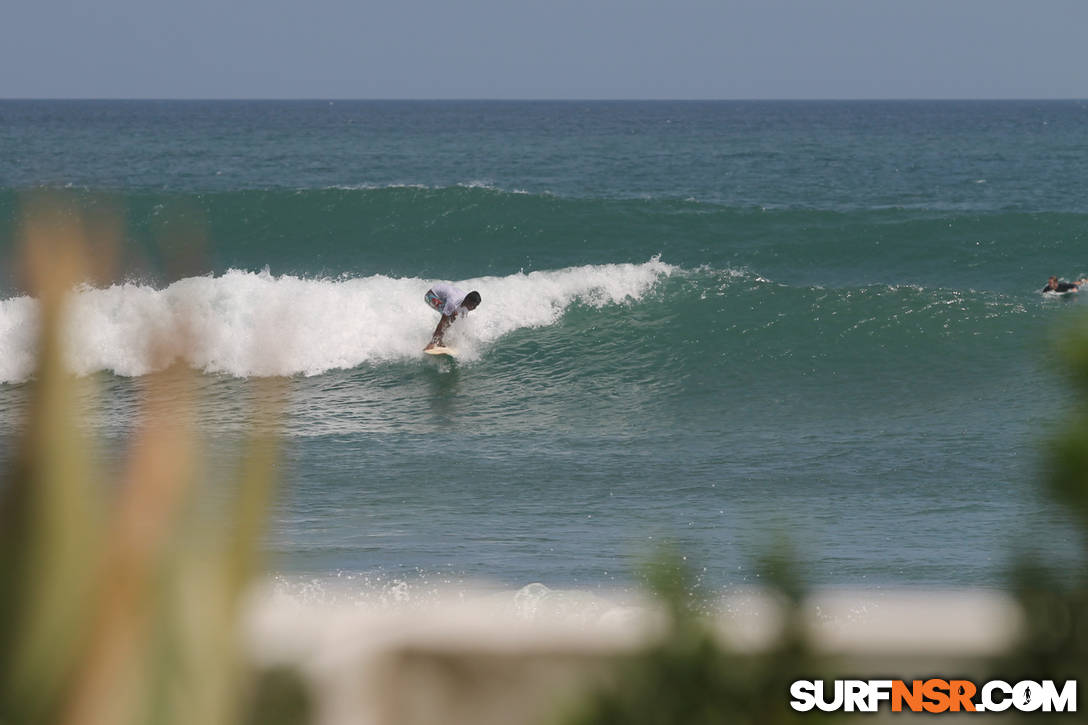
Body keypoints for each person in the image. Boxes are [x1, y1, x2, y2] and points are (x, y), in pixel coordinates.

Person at [423, 282, 481, 350]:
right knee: (449, 316)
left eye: (476, 306)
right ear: (468, 301)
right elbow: (443, 321)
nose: (474, 308)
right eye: (473, 305)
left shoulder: (466, 302)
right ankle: (434, 341)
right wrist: (433, 342)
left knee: (454, 316)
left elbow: (462, 321)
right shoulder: (453, 302)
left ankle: (439, 336)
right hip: (430, 295)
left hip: (443, 297)